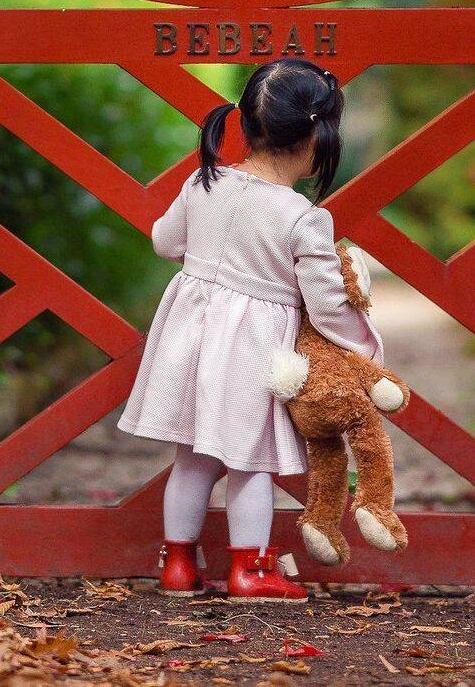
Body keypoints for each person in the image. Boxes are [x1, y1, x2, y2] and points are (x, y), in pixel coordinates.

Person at [118, 58, 383, 601]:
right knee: (251, 461)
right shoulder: (303, 218)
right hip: (250, 352)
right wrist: (365, 345)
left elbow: (167, 244)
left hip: (189, 340)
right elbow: (328, 306)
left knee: (192, 459)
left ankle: (177, 566)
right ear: (318, 136)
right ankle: (251, 570)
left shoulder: (203, 181)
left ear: (246, 124)